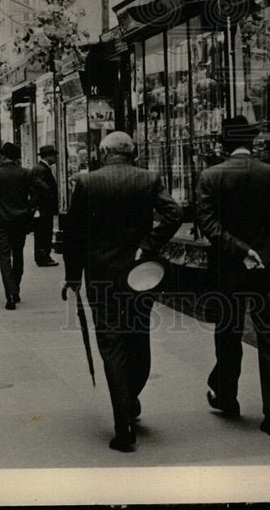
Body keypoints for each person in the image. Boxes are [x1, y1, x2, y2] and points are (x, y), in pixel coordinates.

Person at [63, 131, 182, 453]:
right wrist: (148, 245)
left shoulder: (88, 183)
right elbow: (174, 213)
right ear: (134, 153)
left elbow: (74, 234)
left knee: (111, 343)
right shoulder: (148, 178)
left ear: (103, 152)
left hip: (101, 275)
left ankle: (123, 422)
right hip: (140, 274)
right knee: (138, 336)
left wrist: (73, 277)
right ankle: (131, 399)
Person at [196, 115, 270, 437]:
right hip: (269, 271)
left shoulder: (211, 177)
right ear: (252, 143)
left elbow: (209, 226)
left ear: (223, 144)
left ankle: (227, 397)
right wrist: (266, 255)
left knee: (228, 337)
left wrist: (241, 251)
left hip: (229, 272)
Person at [0, 142, 51, 310]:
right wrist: (31, 207)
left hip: (1, 220)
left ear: (3, 156)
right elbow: (44, 189)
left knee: (4, 257)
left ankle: (10, 293)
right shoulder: (26, 173)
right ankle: (15, 289)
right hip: (21, 220)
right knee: (18, 254)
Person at [30, 144, 60, 267]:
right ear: (48, 156)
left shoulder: (39, 168)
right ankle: (44, 257)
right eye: (54, 155)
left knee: (41, 234)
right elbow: (40, 189)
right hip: (44, 208)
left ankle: (41, 257)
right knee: (44, 233)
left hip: (42, 208)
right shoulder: (42, 169)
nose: (55, 158)